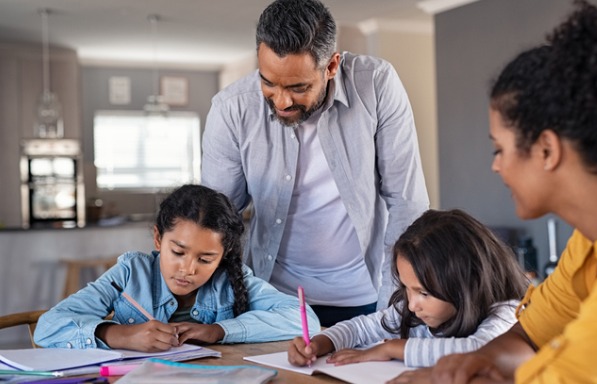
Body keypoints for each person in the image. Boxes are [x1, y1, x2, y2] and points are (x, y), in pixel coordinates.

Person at [389, 1, 597, 383]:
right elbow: (528, 334)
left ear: (547, 149)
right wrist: (468, 366)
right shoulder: (591, 241)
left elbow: (570, 375)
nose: (496, 166)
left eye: (500, 149)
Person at [201, 0, 429, 326]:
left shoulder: (376, 84)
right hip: (273, 300)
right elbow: (214, 219)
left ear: (332, 66)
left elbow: (408, 202)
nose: (281, 101)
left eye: (298, 87)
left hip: (367, 296)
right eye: (268, 82)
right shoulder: (231, 109)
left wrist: (392, 306)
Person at [34, 184, 320, 352]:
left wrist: (219, 330)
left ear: (224, 255)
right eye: (178, 252)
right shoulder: (131, 272)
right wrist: (120, 335)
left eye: (205, 259)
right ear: (159, 238)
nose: (188, 269)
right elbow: (47, 328)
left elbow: (303, 319)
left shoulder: (232, 280)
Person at [287, 209, 529, 368]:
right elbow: (361, 327)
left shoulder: (507, 313)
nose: (412, 305)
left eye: (424, 292)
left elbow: (481, 350)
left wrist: (393, 348)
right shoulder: (413, 310)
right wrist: (321, 343)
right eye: (406, 288)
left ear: (468, 282)